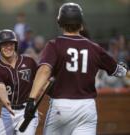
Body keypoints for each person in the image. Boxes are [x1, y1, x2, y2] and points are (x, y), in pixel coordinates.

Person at [24, 3, 128, 135]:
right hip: (86, 107)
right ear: (81, 24)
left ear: (60, 23)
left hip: (61, 106)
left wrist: (31, 99)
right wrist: (124, 70)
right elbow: (118, 71)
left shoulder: (54, 45)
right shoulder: (94, 48)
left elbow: (44, 70)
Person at [0, 29, 38, 135]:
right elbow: (0, 87)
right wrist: (6, 101)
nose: (8, 47)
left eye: (11, 44)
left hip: (27, 110)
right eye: (4, 44)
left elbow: (41, 80)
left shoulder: (29, 62)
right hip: (7, 112)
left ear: (15, 45)